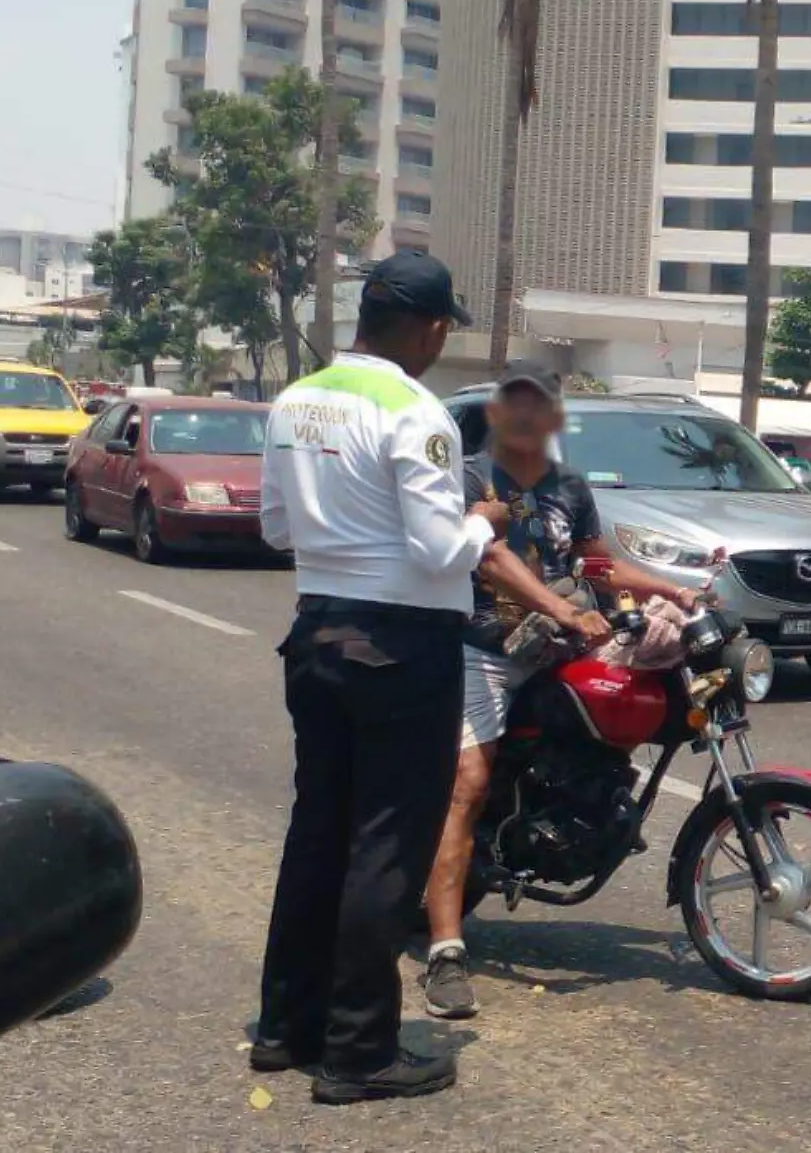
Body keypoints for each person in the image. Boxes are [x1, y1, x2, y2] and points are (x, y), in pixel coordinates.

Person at [251, 251, 551, 1106]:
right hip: (403, 645)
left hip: (316, 634)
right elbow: (436, 548)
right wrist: (481, 518)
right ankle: (358, 1049)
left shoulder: (296, 398)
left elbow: (276, 526)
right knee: (385, 845)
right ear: (427, 328)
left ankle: (285, 1027)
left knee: (318, 834)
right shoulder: (418, 411)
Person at [418, 360, 704, 1021]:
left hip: (554, 645)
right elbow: (489, 557)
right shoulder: (466, 478)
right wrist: (565, 607)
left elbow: (597, 561)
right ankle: (445, 952)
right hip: (480, 648)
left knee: (621, 702)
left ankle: (580, 810)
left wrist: (671, 590)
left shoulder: (569, 486)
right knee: (467, 782)